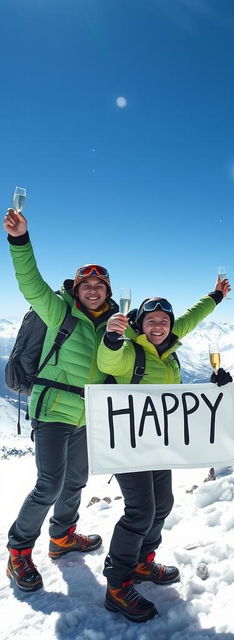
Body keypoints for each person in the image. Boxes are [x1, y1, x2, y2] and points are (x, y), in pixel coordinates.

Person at [97, 285, 232, 622]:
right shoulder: (131, 350)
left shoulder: (168, 346)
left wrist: (215, 297)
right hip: (128, 445)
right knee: (140, 511)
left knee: (164, 504)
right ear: (139, 325)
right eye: (151, 321)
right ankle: (117, 585)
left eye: (164, 321)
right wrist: (113, 340)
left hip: (159, 443)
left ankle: (142, 562)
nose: (158, 326)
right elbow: (108, 360)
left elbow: (189, 318)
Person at [3, 208, 117, 592]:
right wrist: (20, 240)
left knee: (77, 480)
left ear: (107, 292)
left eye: (100, 284)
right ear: (77, 288)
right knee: (49, 484)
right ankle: (18, 551)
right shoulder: (58, 311)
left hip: (85, 414)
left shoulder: (112, 327)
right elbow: (30, 284)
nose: (93, 288)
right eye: (86, 283)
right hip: (52, 409)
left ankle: (62, 536)